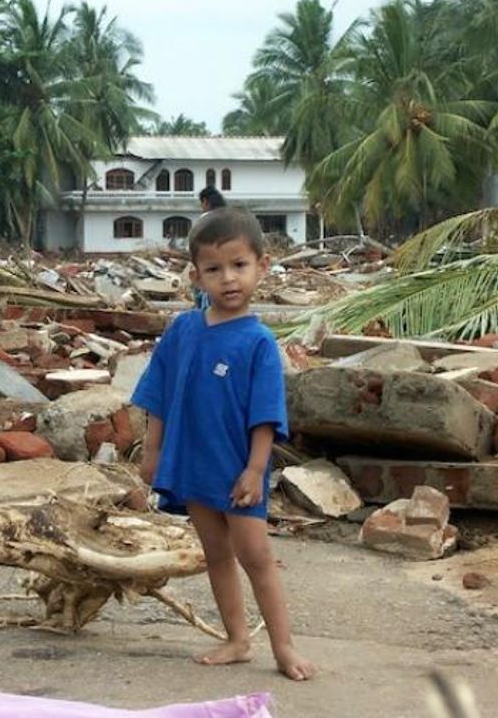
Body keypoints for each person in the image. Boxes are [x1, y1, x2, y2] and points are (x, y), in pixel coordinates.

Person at [131, 207, 316, 682]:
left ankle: (284, 646)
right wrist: (152, 453)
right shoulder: (184, 330)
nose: (228, 279)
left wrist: (255, 470)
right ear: (196, 276)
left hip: (238, 471)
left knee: (256, 556)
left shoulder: (258, 343)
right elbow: (158, 393)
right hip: (192, 465)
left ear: (262, 266)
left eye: (239, 265)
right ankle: (237, 639)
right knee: (215, 554)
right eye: (214, 269)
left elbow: (265, 417)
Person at [191, 187, 227, 309]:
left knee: (205, 303)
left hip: (208, 266)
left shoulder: (205, 219)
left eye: (201, 203)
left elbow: (194, 245)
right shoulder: (228, 218)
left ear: (205, 202)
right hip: (226, 266)